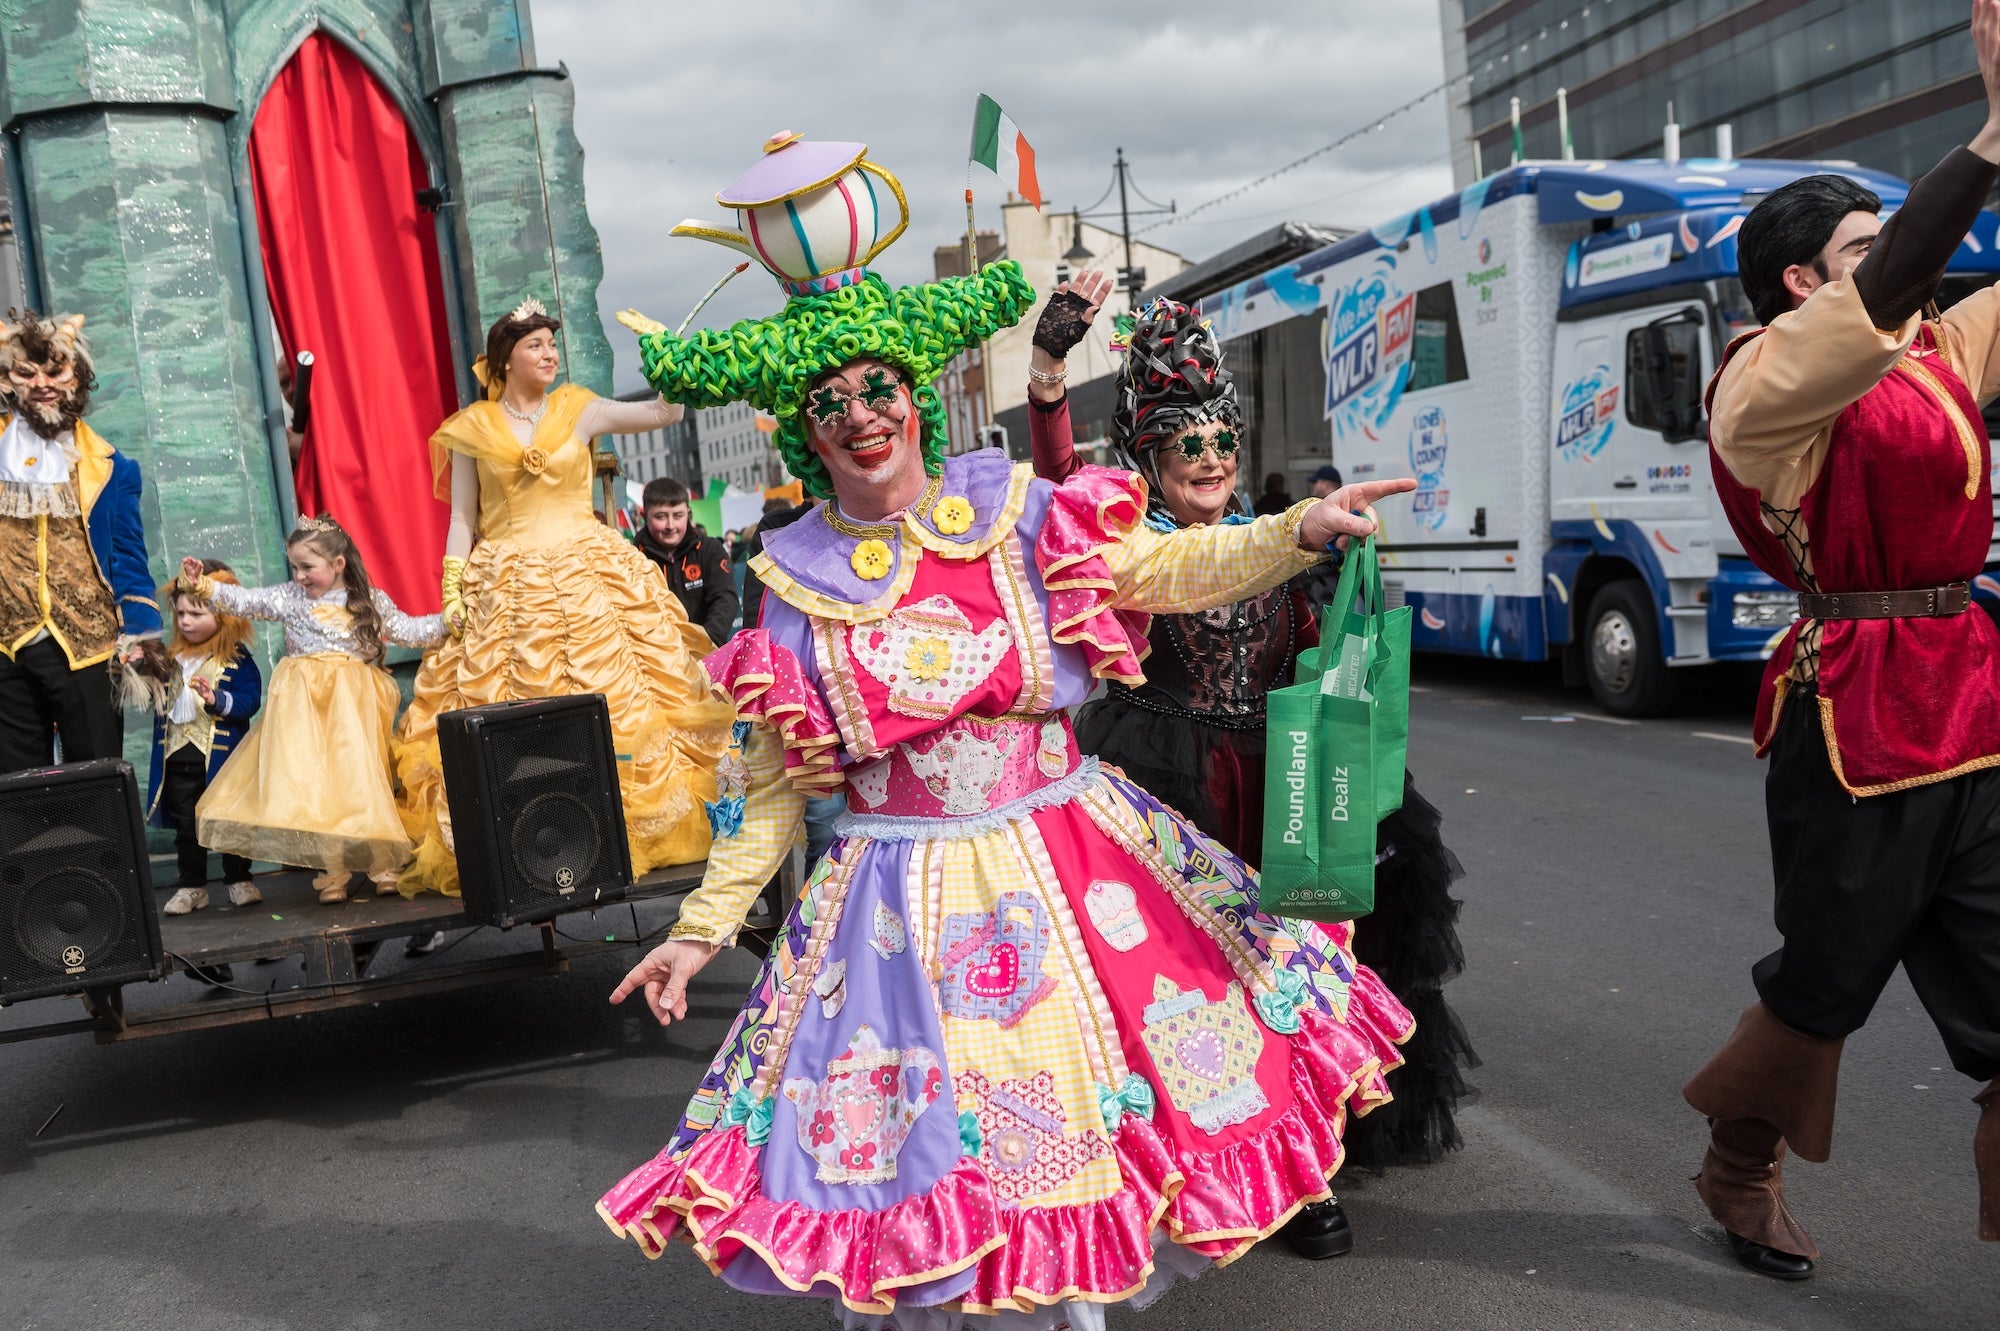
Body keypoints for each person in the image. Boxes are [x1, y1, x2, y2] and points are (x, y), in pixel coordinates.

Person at [594, 134, 1420, 1327]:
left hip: (1062, 855)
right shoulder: (788, 580)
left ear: (914, 398)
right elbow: (771, 785)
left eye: (878, 387)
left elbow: (1163, 568)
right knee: (931, 1169)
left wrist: (1293, 529)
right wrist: (697, 930)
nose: (860, 415)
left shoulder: (1016, 512)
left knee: (1076, 1137)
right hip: (891, 904)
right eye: (828, 402)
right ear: (801, 430)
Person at [1029, 277, 1479, 1240]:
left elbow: (1328, 657)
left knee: (1308, 965)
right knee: (1186, 983)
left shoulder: (1278, 538)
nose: (1210, 458)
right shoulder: (1124, 546)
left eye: (1222, 440)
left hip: (1287, 776)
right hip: (1166, 786)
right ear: (1149, 456)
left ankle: (1307, 1160)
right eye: (1187, 443)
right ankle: (1197, 1156)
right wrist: (1048, 379)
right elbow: (1063, 491)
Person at [1684, 0, 2000, 1280]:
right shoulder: (1756, 383)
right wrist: (1986, 137)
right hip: (1850, 715)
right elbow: (1886, 292)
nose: (1905, 267)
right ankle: (1736, 1161)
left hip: (1971, 694)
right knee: (1824, 979)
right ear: (1803, 281)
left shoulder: (1933, 354)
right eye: (1866, 248)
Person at [394, 300, 732, 896]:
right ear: (506, 357)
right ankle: (538, 837)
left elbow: (663, 413)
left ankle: (628, 826)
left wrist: (666, 362)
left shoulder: (579, 407)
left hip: (590, 569)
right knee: (514, 703)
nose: (550, 354)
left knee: (627, 692)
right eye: (536, 345)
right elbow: (463, 518)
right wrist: (452, 583)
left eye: (553, 344)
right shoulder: (472, 427)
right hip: (507, 581)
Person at [184, 517, 445, 904]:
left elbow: (408, 629)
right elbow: (248, 601)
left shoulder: (368, 600)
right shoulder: (290, 597)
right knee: (316, 785)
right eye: (295, 567)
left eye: (308, 567)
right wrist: (205, 586)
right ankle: (332, 870)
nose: (300, 576)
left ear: (338, 564)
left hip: (350, 706)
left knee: (360, 779)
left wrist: (450, 622)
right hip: (303, 707)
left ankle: (382, 864)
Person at [0, 310, 161, 773]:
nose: (42, 383)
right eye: (26, 372)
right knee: (15, 783)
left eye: (55, 370)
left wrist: (141, 630)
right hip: (7, 642)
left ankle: (105, 850)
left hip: (85, 642)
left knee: (96, 776)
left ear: (77, 377)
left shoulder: (112, 468)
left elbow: (129, 555)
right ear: (8, 381)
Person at [146, 561, 262, 917]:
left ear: (224, 615)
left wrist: (217, 701)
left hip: (221, 762)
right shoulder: (170, 658)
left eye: (196, 613)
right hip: (178, 759)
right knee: (186, 828)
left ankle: (238, 879)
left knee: (229, 821)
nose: (185, 622)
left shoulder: (237, 659)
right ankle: (192, 886)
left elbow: (250, 700)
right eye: (180, 613)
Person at [634, 476, 739, 644]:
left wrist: (705, 642)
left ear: (688, 514)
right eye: (661, 517)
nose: (670, 525)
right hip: (655, 657)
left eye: (678, 515)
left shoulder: (710, 549)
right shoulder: (632, 558)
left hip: (707, 651)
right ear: (644, 515)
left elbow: (725, 599)